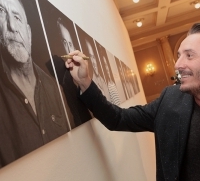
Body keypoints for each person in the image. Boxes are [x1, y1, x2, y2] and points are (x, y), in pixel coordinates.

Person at [65, 23, 200, 180]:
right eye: (179, 56)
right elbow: (118, 118)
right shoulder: (170, 99)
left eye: (189, 56)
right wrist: (84, 81)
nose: (178, 65)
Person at [0, 0, 69, 168]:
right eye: (1, 12)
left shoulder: (56, 89)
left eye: (16, 16)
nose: (12, 26)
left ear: (29, 34)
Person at [54, 17, 92, 126]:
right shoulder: (58, 72)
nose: (68, 48)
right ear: (60, 43)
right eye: (64, 42)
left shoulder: (78, 70)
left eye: (70, 44)